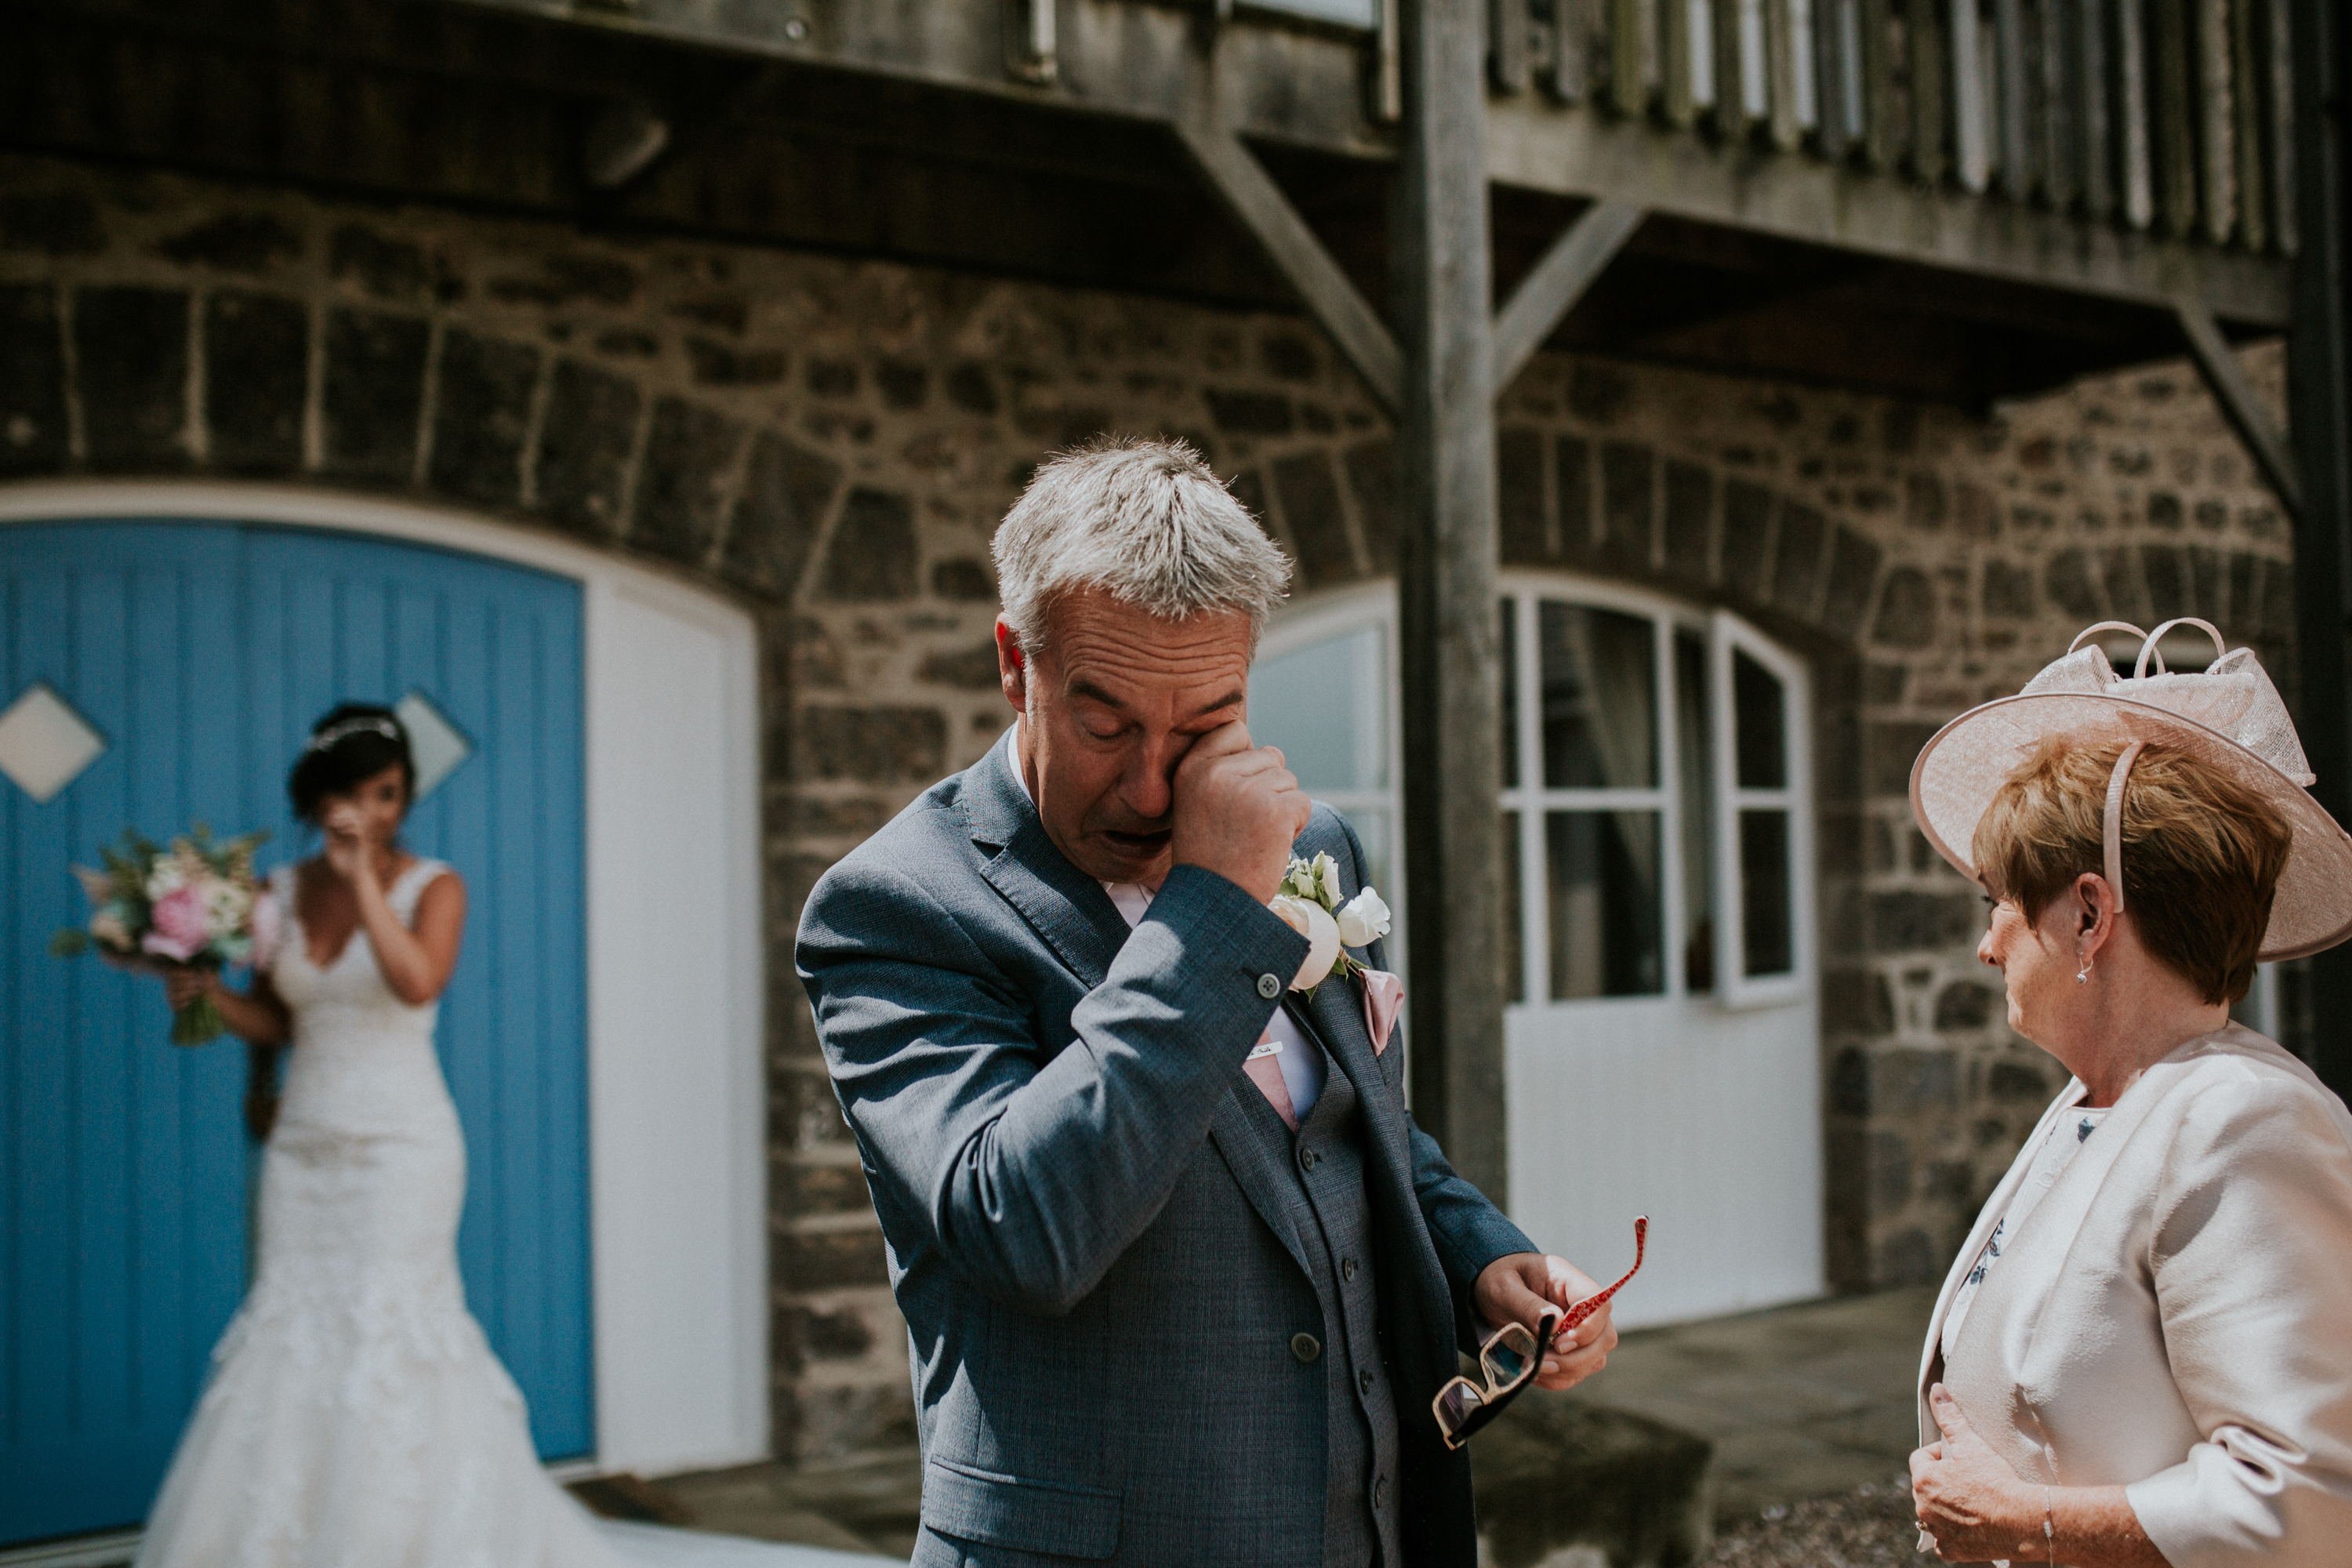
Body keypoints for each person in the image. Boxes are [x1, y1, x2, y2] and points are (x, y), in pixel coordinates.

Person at [797, 437, 1620, 1568]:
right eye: (1106, 724)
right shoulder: (899, 907)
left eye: (1199, 725)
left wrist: (1480, 1256)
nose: (1150, 784)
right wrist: (1214, 910)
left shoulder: (1311, 841)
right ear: (1012, 662)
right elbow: (1024, 1229)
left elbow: (1343, 1132)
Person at [1904, 619, 2352, 1566]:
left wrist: (2027, 1523)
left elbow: (2307, 1500)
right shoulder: (2097, 1101)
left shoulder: (2246, 1119)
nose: (1987, 945)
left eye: (2000, 899)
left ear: (2092, 912)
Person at [135, 705, 621, 1568]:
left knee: (393, 1325)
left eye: (389, 792)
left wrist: (362, 879)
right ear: (319, 798)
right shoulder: (274, 891)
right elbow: (281, 1019)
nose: (372, 809)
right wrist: (205, 999)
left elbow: (414, 981)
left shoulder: (435, 885)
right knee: (291, 1322)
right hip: (304, 1142)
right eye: (354, 792)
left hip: (405, 1143)